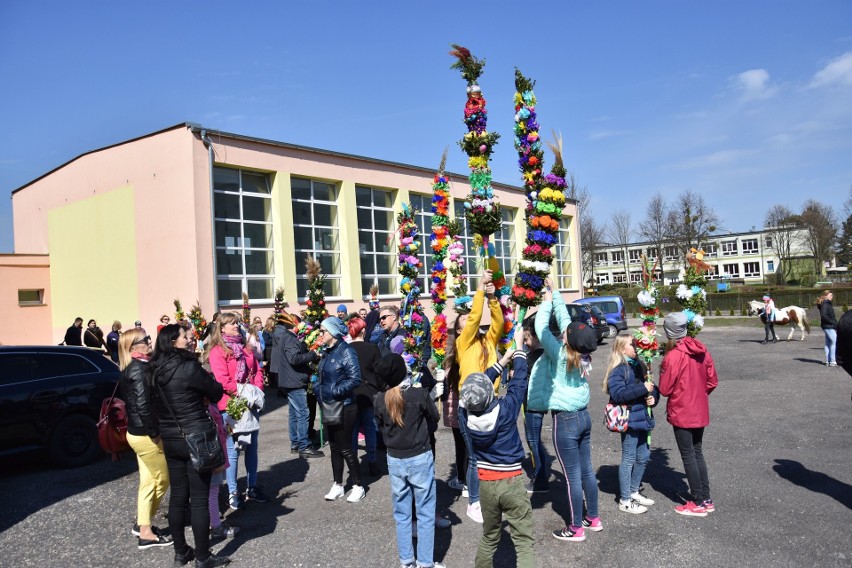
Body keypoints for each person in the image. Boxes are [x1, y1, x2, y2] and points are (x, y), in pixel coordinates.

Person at [147, 324, 230, 568]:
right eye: (185, 337)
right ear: (174, 341)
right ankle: (203, 557)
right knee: (200, 499)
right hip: (195, 437)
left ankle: (181, 552)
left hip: (171, 439)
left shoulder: (152, 370)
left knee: (178, 496)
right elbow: (215, 392)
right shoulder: (189, 367)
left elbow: (150, 407)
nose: (190, 339)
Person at [535, 284, 600, 542]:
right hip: (584, 416)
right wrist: (556, 294)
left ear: (567, 340)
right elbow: (567, 324)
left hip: (566, 420)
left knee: (572, 476)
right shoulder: (581, 354)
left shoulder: (560, 355)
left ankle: (575, 528)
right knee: (586, 470)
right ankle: (592, 517)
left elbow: (541, 328)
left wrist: (546, 301)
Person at [460, 348, 534, 568]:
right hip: (511, 481)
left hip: (486, 484)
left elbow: (478, 387)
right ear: (490, 394)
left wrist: (502, 361)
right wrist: (519, 353)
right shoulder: (506, 410)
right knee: (523, 541)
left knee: (489, 536)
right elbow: (519, 383)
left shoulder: (466, 415)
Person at [374, 353, 446, 568]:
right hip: (419, 457)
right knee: (424, 513)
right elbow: (434, 419)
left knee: (402, 513)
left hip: (395, 458)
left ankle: (407, 561)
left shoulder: (379, 398)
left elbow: (380, 427)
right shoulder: (419, 394)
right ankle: (425, 563)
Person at [453, 269, 504, 524]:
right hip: (470, 407)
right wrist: (480, 288)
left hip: (492, 403)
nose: (469, 320)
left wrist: (493, 299)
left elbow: (498, 324)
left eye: (469, 318)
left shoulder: (488, 342)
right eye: (463, 319)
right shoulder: (464, 343)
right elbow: (474, 318)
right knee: (474, 456)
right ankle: (474, 502)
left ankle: (488, 495)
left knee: (489, 454)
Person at [206, 312, 268, 511]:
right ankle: (233, 492)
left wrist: (256, 389)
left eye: (236, 323)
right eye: (231, 323)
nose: (235, 326)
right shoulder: (218, 351)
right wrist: (243, 392)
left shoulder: (244, 347)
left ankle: (252, 487)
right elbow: (223, 380)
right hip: (230, 405)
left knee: (252, 447)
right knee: (233, 451)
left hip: (250, 404)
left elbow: (257, 369)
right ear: (221, 328)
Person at [659, 311, 718, 517]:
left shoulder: (673, 356)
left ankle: (699, 500)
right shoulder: (702, 350)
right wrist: (699, 394)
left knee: (688, 455)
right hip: (698, 408)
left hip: (683, 410)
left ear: (669, 332)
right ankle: (706, 498)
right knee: (697, 451)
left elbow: (665, 389)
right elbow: (712, 380)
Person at [118, 328, 172, 550]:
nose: (150, 341)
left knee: (148, 481)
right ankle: (145, 532)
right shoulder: (138, 370)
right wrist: (155, 433)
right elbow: (143, 405)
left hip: (137, 433)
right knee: (163, 479)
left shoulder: (135, 367)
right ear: (133, 348)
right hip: (145, 434)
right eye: (145, 340)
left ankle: (143, 525)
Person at [603, 335, 659, 514]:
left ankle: (634, 491)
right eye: (632, 345)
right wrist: (643, 389)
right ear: (621, 349)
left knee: (643, 456)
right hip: (629, 420)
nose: (637, 347)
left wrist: (653, 397)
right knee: (628, 458)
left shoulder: (641, 365)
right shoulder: (619, 370)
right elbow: (618, 394)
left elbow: (652, 387)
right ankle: (625, 499)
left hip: (643, 417)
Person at [316, 316, 365, 503]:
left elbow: (355, 378)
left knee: (346, 448)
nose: (321, 334)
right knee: (334, 447)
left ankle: (358, 485)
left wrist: (335, 391)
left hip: (344, 406)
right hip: (328, 405)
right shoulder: (328, 351)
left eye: (323, 331)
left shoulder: (347, 351)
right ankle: (337, 484)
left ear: (333, 333)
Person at [276, 312, 323, 458]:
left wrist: (305, 345)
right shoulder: (289, 339)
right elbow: (294, 359)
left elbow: (295, 352)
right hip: (294, 381)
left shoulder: (287, 338)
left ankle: (296, 443)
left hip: (290, 380)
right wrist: (314, 354)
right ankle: (304, 445)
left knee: (294, 413)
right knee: (303, 413)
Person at [347, 316, 386, 476]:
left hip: (351, 394)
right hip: (369, 393)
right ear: (363, 330)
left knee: (353, 431)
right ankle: (372, 462)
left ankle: (354, 464)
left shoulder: (345, 349)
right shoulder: (372, 348)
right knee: (370, 429)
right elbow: (379, 372)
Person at [521, 319, 548, 494]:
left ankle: (540, 479)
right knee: (534, 441)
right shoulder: (543, 354)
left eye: (526, 339)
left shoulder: (533, 357)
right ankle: (541, 475)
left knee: (534, 441)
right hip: (537, 403)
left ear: (534, 338)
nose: (524, 343)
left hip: (534, 404)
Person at [817, 290, 838, 367]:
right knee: (834, 342)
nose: (832, 297)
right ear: (826, 296)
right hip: (829, 326)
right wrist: (833, 322)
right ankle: (832, 361)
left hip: (826, 326)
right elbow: (824, 315)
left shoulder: (825, 303)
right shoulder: (826, 304)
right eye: (830, 295)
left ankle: (828, 361)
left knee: (828, 343)